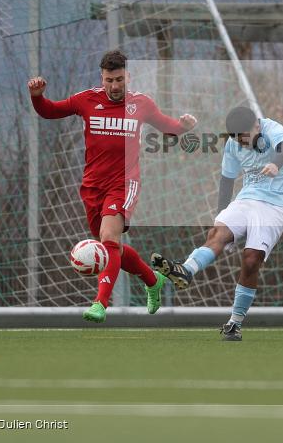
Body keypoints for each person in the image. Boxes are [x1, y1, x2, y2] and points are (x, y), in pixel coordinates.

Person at [28, 49, 197, 323]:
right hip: (92, 186)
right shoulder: (86, 99)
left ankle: (100, 304)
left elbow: (168, 127)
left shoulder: (141, 104)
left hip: (124, 183)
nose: (115, 86)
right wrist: (37, 96)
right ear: (102, 78)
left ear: (128, 76)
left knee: (108, 239)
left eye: (119, 79)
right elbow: (50, 111)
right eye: (109, 80)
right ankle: (152, 280)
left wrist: (183, 126)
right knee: (111, 246)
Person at [151, 106, 283, 341]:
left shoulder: (272, 129)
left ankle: (235, 323)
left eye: (245, 137)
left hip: (276, 204)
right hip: (247, 198)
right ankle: (186, 270)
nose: (242, 142)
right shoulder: (233, 145)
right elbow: (227, 181)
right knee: (217, 234)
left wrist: (277, 164)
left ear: (256, 126)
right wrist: (222, 216)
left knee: (251, 260)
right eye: (237, 138)